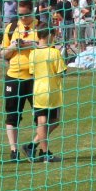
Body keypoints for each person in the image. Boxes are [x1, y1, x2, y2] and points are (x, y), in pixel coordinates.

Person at [0, 2, 45, 161]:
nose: (23, 18)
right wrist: (13, 47)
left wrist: (32, 44)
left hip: (36, 77)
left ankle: (36, 146)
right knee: (12, 115)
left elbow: (49, 49)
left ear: (32, 12)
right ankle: (13, 151)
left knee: (42, 116)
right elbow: (3, 54)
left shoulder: (41, 27)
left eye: (26, 14)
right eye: (20, 15)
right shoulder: (11, 27)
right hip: (14, 77)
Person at [27, 20, 68, 162]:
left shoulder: (33, 53)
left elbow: (32, 72)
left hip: (38, 91)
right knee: (50, 122)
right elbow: (62, 72)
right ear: (50, 35)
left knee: (46, 122)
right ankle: (44, 153)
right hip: (52, 92)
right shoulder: (54, 52)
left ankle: (33, 146)